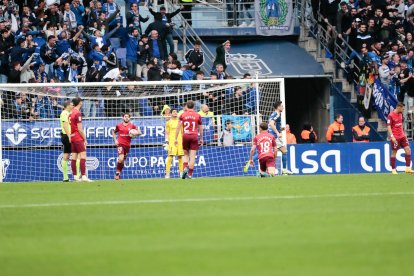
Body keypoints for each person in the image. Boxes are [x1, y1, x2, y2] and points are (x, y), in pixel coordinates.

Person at [175, 100, 203, 179]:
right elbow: (201, 128)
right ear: (194, 106)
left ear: (186, 106)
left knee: (186, 154)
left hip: (185, 135)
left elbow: (178, 127)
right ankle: (189, 175)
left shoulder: (182, 115)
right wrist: (201, 138)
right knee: (192, 156)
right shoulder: (198, 115)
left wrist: (176, 138)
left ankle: (184, 169)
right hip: (194, 136)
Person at [69, 97, 93, 182]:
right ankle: (83, 176)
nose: (82, 103)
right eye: (81, 101)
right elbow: (80, 128)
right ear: (80, 103)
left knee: (74, 157)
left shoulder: (71, 112)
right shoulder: (77, 113)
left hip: (72, 137)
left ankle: (75, 176)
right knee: (83, 156)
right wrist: (85, 139)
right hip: (78, 137)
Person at [112, 113, 141, 180]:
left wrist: (135, 133)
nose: (126, 118)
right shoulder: (119, 125)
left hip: (127, 146)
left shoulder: (132, 126)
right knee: (121, 158)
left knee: (122, 161)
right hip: (120, 144)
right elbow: (113, 132)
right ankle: (117, 174)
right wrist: (115, 140)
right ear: (123, 118)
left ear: (129, 118)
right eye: (125, 117)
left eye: (128, 117)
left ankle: (118, 174)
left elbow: (140, 132)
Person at [387, 102, 413, 174]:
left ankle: (408, 168)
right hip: (395, 137)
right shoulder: (391, 115)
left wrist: (404, 134)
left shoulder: (400, 114)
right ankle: (393, 169)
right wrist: (392, 137)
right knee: (394, 152)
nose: (403, 110)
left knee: (408, 149)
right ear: (398, 107)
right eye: (403, 108)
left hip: (402, 136)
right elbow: (389, 127)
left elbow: (400, 125)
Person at [268, 101, 292, 175]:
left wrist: (280, 129)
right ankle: (284, 170)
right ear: (278, 107)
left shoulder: (275, 114)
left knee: (268, 152)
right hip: (274, 136)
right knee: (284, 151)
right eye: (282, 106)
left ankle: (251, 160)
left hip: (271, 135)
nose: (283, 107)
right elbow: (271, 123)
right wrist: (278, 133)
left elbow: (272, 125)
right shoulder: (276, 114)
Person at [59, 100, 79, 182]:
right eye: (71, 105)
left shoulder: (68, 113)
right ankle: (76, 176)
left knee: (66, 156)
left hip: (66, 136)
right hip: (68, 136)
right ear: (67, 105)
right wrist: (69, 136)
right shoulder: (65, 113)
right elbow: (65, 125)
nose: (73, 106)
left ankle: (65, 178)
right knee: (76, 155)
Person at [165, 108, 184, 178]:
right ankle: (167, 174)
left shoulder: (180, 122)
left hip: (180, 141)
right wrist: (167, 141)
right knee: (170, 157)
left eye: (176, 112)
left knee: (180, 157)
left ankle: (181, 173)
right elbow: (167, 133)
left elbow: (182, 132)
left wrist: (183, 140)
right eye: (173, 112)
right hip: (172, 142)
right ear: (170, 113)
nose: (175, 113)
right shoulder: (168, 122)